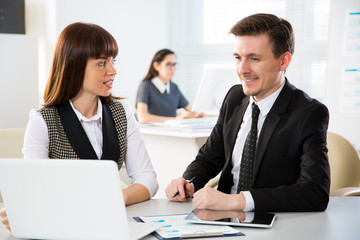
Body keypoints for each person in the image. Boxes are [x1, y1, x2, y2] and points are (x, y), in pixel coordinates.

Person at [0, 22, 158, 231]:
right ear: (73, 65)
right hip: (64, 226)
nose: (113, 70)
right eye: (102, 63)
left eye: (113, 61)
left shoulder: (123, 112)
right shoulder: (43, 120)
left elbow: (148, 179)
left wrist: (116, 198)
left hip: (110, 223)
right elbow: (36, 189)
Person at [165, 13, 330, 212]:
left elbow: (315, 193)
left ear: (284, 61)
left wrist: (237, 201)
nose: (242, 69)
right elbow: (209, 158)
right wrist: (188, 182)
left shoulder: (309, 113)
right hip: (220, 219)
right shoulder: (234, 98)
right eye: (238, 58)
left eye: (254, 59)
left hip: (272, 222)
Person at [136, 48, 204, 123]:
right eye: (168, 64)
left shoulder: (174, 87)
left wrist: (197, 115)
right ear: (156, 66)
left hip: (171, 131)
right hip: (153, 132)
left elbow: (190, 109)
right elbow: (142, 118)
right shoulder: (146, 85)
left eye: (174, 65)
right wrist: (175, 120)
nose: (173, 69)